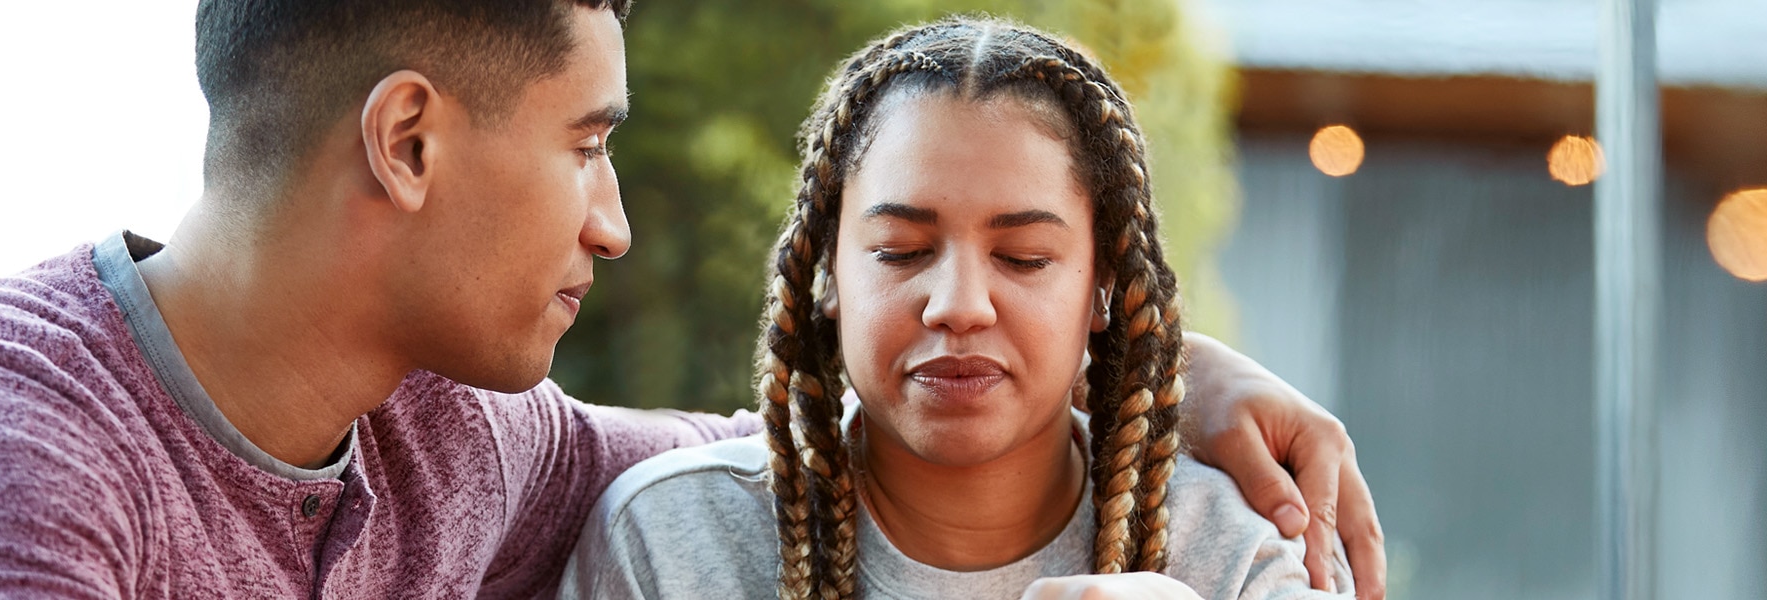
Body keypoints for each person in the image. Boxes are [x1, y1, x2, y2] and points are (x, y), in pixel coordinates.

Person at [0, 1, 1383, 598]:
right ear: (408, 139)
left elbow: (816, 442)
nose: (609, 223)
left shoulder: (464, 440)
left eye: (1025, 252)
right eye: (587, 148)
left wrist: (1176, 374)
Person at [563, 18, 1349, 599]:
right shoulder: (670, 542)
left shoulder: (1235, 558)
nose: (959, 306)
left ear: (1103, 284)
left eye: (1024, 259)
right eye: (901, 250)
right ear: (826, 273)